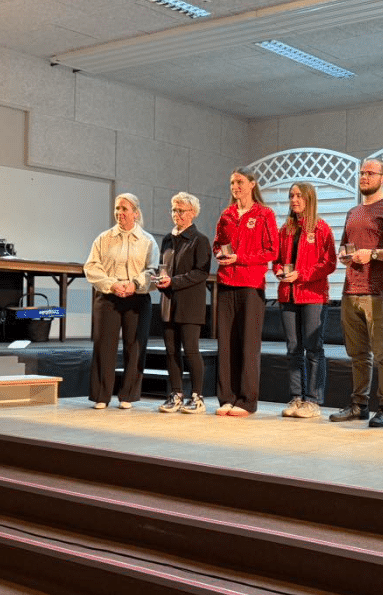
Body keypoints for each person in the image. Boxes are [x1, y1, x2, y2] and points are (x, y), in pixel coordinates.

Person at [330, 159, 383, 428]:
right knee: (358, 354)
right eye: (362, 173)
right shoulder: (353, 212)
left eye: (370, 173)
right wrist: (345, 256)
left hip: (378, 291)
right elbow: (345, 246)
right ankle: (358, 405)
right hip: (351, 289)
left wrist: (373, 254)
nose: (364, 177)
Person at [213, 167, 278, 417]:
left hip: (251, 285)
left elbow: (272, 251)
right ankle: (226, 398)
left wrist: (241, 258)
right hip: (226, 284)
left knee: (249, 345)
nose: (235, 186)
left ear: (252, 184)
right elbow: (217, 243)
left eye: (239, 182)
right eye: (232, 182)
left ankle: (247, 401)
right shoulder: (227, 214)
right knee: (226, 344)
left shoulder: (264, 214)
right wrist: (221, 253)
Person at [83, 193, 158, 410]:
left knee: (134, 346)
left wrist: (135, 284)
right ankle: (101, 395)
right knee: (104, 346)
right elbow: (91, 267)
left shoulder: (147, 241)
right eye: (117, 209)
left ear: (135, 213)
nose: (120, 213)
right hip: (108, 296)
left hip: (137, 297)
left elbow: (152, 270)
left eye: (124, 209)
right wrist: (112, 284)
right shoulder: (103, 238)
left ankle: (128, 395)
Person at [274, 182, 338, 419]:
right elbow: (277, 261)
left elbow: (329, 263)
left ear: (309, 199)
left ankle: (312, 400)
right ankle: (296, 397)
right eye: (291, 196)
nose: (294, 200)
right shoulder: (285, 229)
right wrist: (280, 271)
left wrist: (301, 274)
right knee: (293, 348)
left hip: (313, 296)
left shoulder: (321, 228)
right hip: (287, 295)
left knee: (313, 348)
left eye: (299, 196)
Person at [155, 192, 211, 415]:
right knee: (171, 352)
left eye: (181, 210)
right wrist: (159, 278)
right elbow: (163, 267)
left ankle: (197, 397)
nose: (176, 214)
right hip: (169, 303)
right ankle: (176, 394)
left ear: (193, 213)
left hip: (190, 304)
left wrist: (174, 281)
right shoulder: (168, 239)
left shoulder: (200, 240)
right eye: (174, 210)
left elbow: (201, 272)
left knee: (191, 351)